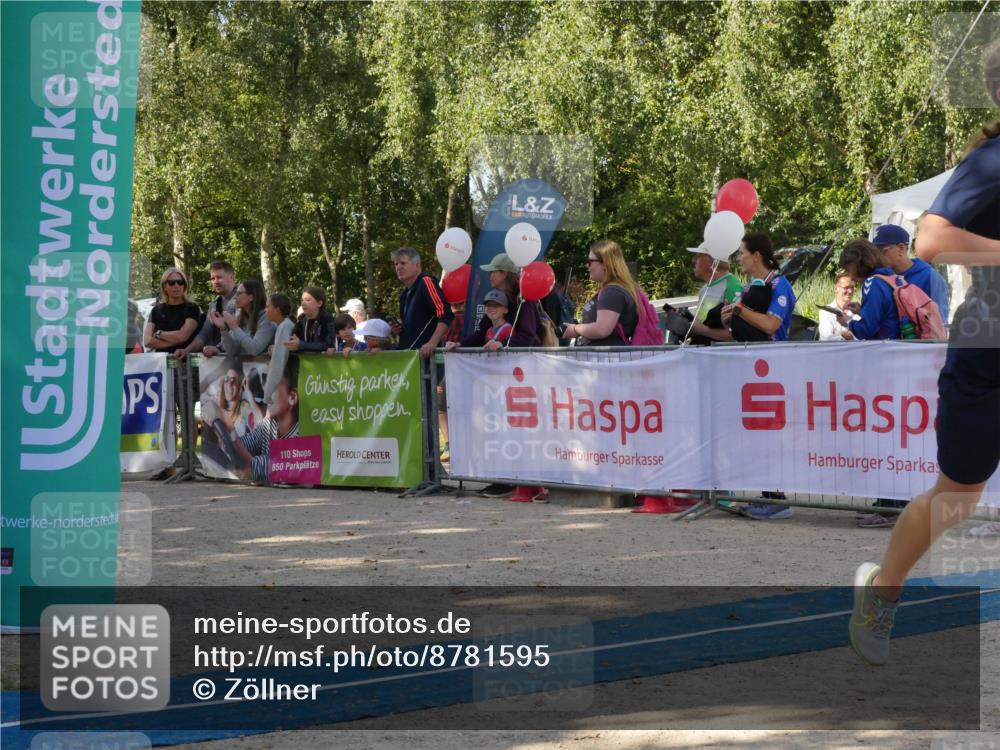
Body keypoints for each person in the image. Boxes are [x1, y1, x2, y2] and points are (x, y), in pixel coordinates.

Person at [850, 48, 1000, 666]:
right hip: (987, 353)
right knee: (957, 497)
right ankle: (883, 591)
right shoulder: (991, 160)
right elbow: (932, 239)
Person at [234, 355, 300, 485]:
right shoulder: (269, 424)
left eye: (273, 384)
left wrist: (227, 429)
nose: (265, 391)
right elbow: (246, 444)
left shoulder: (302, 433)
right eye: (265, 382)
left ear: (292, 397)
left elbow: (261, 467)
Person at [721, 233, 797, 343]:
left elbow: (770, 325)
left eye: (741, 253)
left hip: (774, 352)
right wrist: (728, 322)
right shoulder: (747, 288)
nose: (738, 258)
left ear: (756, 255)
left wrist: (738, 309)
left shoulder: (780, 285)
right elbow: (740, 334)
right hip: (749, 352)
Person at [561, 240, 639, 346]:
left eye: (590, 261)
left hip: (606, 355)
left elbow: (602, 330)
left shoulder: (612, 292)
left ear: (605, 264)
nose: (587, 265)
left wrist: (575, 329)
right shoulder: (616, 289)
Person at [873, 223, 950, 323]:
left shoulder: (930, 277)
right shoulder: (883, 277)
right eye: (875, 253)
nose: (877, 257)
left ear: (901, 248)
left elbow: (940, 321)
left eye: (882, 251)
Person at [463, 253, 541, 349]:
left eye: (492, 272)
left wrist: (502, 344)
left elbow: (527, 336)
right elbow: (482, 333)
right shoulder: (497, 296)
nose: (489, 276)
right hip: (505, 357)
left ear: (504, 274)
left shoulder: (523, 298)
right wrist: (459, 345)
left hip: (527, 357)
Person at [391, 247, 453, 357]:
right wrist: (400, 329)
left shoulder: (426, 282)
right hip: (410, 359)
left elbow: (446, 314)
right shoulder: (404, 294)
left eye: (403, 263)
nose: (398, 267)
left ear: (417, 265)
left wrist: (432, 342)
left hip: (427, 359)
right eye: (396, 264)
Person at [836, 238, 901, 341]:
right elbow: (887, 315)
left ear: (857, 262)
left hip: (884, 347)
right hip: (898, 344)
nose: (851, 277)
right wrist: (862, 311)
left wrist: (847, 322)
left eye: (849, 270)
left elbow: (867, 329)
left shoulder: (872, 283)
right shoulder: (892, 278)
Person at [175, 260, 237, 360]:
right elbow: (204, 334)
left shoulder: (244, 299)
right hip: (221, 362)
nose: (215, 281)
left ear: (232, 277)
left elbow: (243, 332)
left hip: (244, 361)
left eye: (219, 277)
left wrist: (218, 348)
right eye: (212, 278)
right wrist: (187, 350)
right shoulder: (214, 305)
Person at [684, 244, 744, 344]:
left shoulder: (732, 287)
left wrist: (704, 331)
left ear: (711, 261)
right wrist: (684, 324)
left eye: (698, 256)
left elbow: (739, 335)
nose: (693, 260)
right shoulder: (704, 289)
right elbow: (701, 325)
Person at [145, 267, 202, 354]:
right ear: (164, 286)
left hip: (185, 360)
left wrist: (159, 334)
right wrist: (176, 339)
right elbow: (147, 341)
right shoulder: (156, 310)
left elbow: (182, 336)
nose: (176, 285)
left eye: (180, 282)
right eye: (171, 283)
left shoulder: (192, 308)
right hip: (162, 361)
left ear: (184, 286)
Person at [218, 280, 276, 357]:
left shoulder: (267, 318)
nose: (235, 297)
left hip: (264, 364)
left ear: (251, 297)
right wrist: (223, 329)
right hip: (244, 364)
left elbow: (254, 349)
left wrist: (235, 328)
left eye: (239, 293)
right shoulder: (241, 318)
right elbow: (232, 351)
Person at [263, 293, 295, 407]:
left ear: (277, 310)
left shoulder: (285, 326)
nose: (265, 310)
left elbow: (279, 361)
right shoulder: (284, 325)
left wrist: (268, 392)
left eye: (268, 306)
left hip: (287, 385)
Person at [286, 286, 336, 355]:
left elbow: (328, 344)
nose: (303, 303)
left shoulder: (326, 319)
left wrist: (301, 344)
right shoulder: (301, 321)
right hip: (304, 361)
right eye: (302, 300)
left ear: (319, 303)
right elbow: (293, 342)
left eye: (308, 300)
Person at [817, 272, 856, 341]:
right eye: (846, 287)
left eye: (852, 287)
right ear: (836, 289)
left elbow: (865, 336)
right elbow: (826, 339)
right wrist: (848, 338)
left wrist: (850, 337)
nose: (850, 291)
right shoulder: (826, 312)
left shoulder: (857, 312)